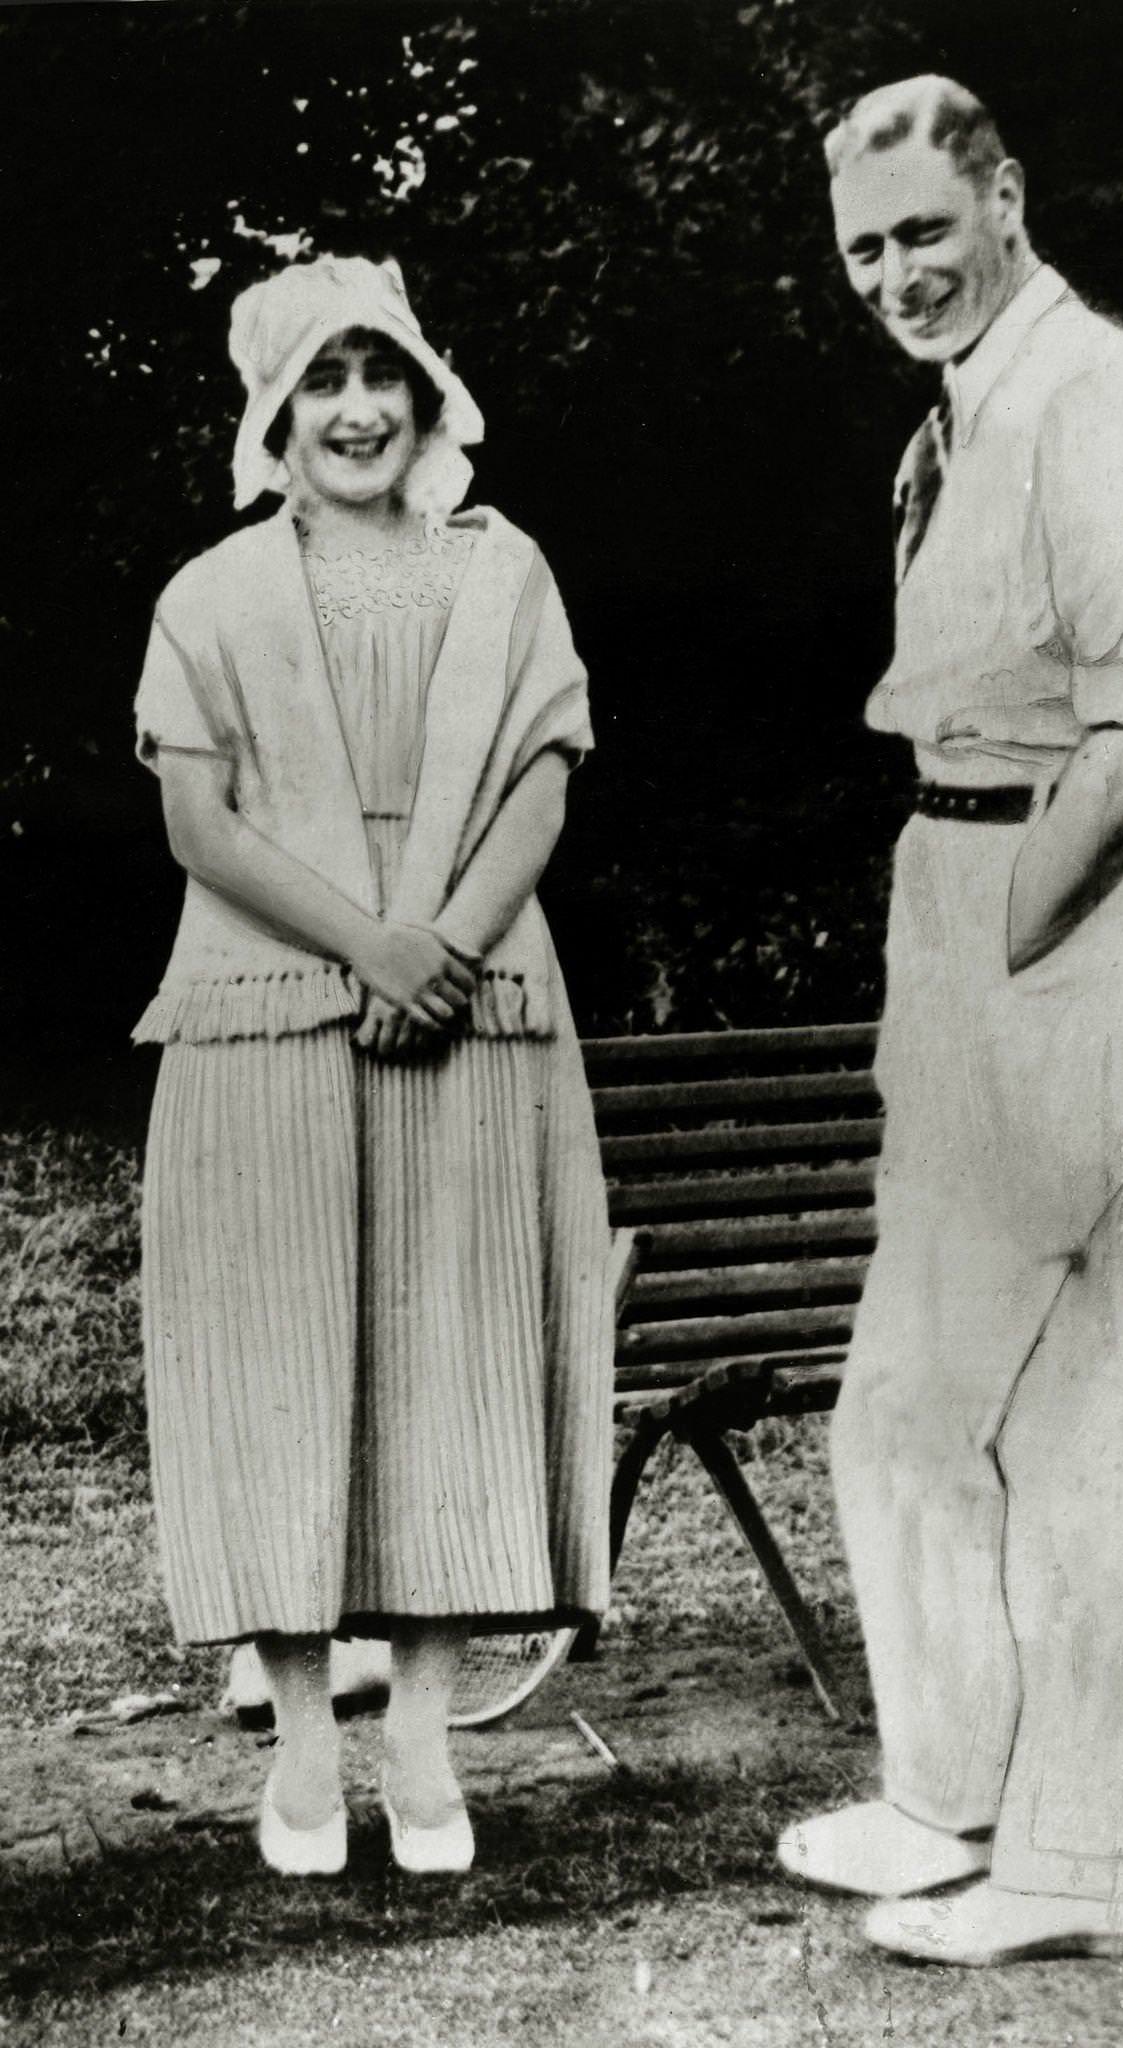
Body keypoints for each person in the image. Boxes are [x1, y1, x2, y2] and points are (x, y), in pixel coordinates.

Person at [777, 78, 1123, 1963]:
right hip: (961, 887)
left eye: (921, 230)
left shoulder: (1097, 405)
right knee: (925, 1412)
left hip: (1053, 907)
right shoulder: (976, 406)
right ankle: (955, 1799)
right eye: (862, 246)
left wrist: (1005, 963)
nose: (895, 273)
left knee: (1012, 1418)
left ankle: (1081, 1866)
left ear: (1006, 195)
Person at [134, 254, 613, 1877]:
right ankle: (303, 1746)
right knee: (278, 1372)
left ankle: (420, 1740)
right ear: (275, 408)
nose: (355, 410)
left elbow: (543, 782)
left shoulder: (507, 570)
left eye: (380, 375)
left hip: (478, 1000)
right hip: (266, 1006)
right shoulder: (208, 594)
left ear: (424, 394)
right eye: (321, 381)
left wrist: (445, 949)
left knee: (446, 1367)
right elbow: (198, 820)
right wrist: (367, 946)